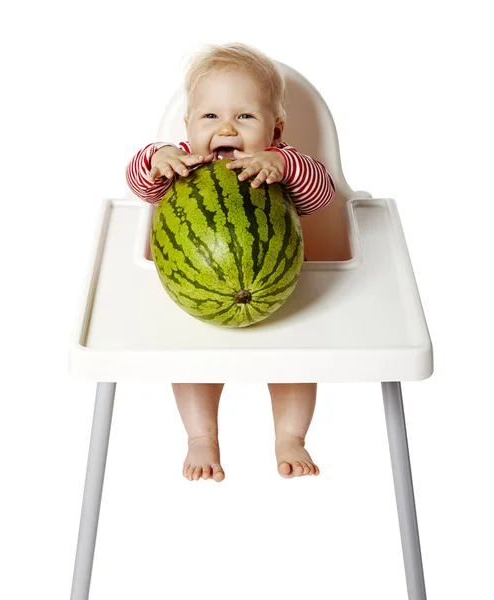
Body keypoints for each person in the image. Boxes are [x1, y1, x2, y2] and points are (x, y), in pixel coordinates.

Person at [126, 43, 335, 483]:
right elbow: (140, 187)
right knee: (190, 363)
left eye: (245, 117)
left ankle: (291, 436)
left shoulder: (282, 164)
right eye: (210, 117)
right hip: (196, 304)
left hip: (283, 298)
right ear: (188, 125)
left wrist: (282, 164)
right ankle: (201, 437)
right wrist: (156, 160)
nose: (227, 128)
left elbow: (322, 196)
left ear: (275, 129)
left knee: (296, 363)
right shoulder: (181, 162)